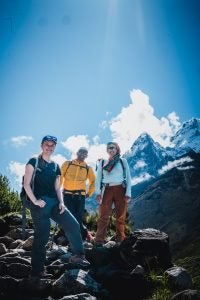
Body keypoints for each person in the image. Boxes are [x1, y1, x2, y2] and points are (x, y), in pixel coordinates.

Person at [23, 135, 90, 278]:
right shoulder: (33, 161)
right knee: (43, 235)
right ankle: (37, 270)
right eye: (47, 144)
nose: (49, 147)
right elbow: (26, 184)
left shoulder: (55, 166)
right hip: (39, 204)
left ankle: (78, 255)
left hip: (55, 202)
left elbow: (57, 187)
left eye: (52, 145)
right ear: (42, 145)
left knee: (73, 224)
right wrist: (35, 201)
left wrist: (61, 202)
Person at [94, 142, 132, 245]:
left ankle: (120, 239)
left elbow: (128, 177)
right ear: (107, 150)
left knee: (120, 216)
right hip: (106, 190)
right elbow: (98, 179)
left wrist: (128, 193)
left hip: (121, 189)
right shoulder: (102, 162)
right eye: (109, 148)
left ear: (117, 149)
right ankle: (99, 241)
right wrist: (98, 193)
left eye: (113, 148)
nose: (111, 149)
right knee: (103, 216)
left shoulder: (122, 161)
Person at [60, 147, 96, 241]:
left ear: (86, 156)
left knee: (78, 216)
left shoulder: (88, 168)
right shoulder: (68, 164)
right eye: (81, 152)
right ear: (77, 152)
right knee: (67, 215)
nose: (83, 154)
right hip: (67, 194)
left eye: (85, 153)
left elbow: (93, 181)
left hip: (80, 196)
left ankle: (80, 236)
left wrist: (89, 193)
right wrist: (57, 190)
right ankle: (71, 235)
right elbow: (60, 176)